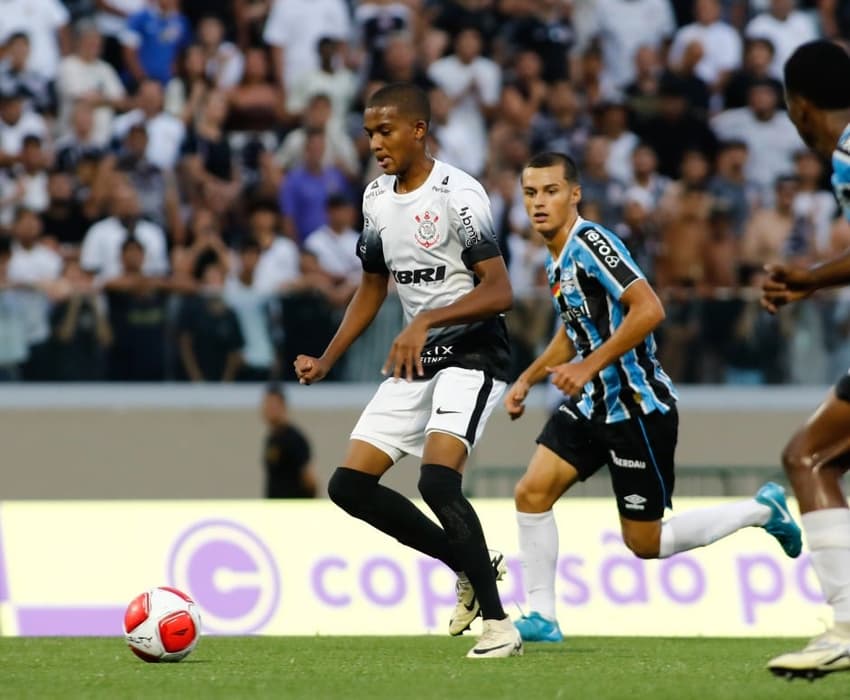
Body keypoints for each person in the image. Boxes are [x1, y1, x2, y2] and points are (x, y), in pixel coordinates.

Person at [505, 151, 802, 645]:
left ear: (574, 194)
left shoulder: (592, 242)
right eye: (531, 193)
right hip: (592, 402)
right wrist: (529, 376)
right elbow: (576, 327)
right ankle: (543, 618)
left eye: (551, 191)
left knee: (645, 542)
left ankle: (762, 510)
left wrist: (586, 366)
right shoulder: (557, 258)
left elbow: (649, 307)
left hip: (637, 409)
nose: (539, 202)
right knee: (530, 494)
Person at [293, 82, 521, 658]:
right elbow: (372, 289)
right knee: (349, 485)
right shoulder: (374, 199)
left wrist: (425, 322)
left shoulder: (459, 194)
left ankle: (500, 627)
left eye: (385, 131)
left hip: (473, 353)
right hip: (416, 359)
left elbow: (500, 291)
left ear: (418, 130)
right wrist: (328, 358)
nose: (375, 142)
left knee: (437, 480)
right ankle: (469, 562)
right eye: (369, 132)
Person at [760, 40, 850, 680]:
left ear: (799, 107)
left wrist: (809, 278)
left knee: (808, 456)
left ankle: (847, 623)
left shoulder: (847, 155)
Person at [261, 383, 316, 498]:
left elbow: (310, 479)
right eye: (266, 404)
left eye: (272, 405)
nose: (268, 409)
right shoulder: (271, 438)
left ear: (283, 406)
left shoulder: (294, 439)